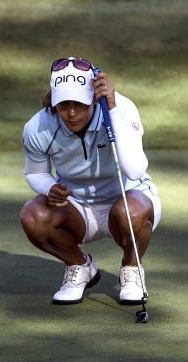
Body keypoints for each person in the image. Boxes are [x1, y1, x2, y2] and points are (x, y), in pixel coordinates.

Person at [19, 57, 161, 305]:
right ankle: (80, 266)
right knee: (33, 215)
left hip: (128, 202)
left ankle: (131, 270)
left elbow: (135, 170)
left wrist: (113, 110)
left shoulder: (122, 109)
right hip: (77, 208)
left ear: (94, 98)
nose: (71, 113)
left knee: (132, 210)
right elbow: (35, 173)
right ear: (53, 100)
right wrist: (49, 187)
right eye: (64, 105)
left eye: (80, 104)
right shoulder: (38, 126)